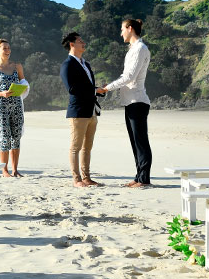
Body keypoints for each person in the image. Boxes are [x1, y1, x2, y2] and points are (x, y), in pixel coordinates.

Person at [99, 19, 152, 188]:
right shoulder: (133, 49)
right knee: (135, 142)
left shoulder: (140, 49)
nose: (121, 33)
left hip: (137, 101)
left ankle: (144, 179)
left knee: (141, 142)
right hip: (130, 102)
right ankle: (138, 176)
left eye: (122, 29)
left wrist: (107, 88)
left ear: (130, 29)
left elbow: (129, 77)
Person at [60, 32, 106, 188]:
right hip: (78, 111)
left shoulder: (86, 64)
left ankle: (86, 178)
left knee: (88, 147)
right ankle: (76, 179)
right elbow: (72, 89)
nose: (83, 43)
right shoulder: (67, 64)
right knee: (75, 147)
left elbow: (88, 85)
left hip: (91, 110)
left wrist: (98, 90)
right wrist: (94, 90)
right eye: (80, 41)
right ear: (72, 44)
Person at [0, 39, 29, 177]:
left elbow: (24, 82)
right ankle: (4, 170)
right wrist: (2, 93)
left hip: (16, 105)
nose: (8, 50)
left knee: (16, 137)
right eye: (4, 48)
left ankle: (15, 170)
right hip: (1, 107)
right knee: (4, 137)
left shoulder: (17, 66)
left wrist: (23, 88)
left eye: (9, 48)